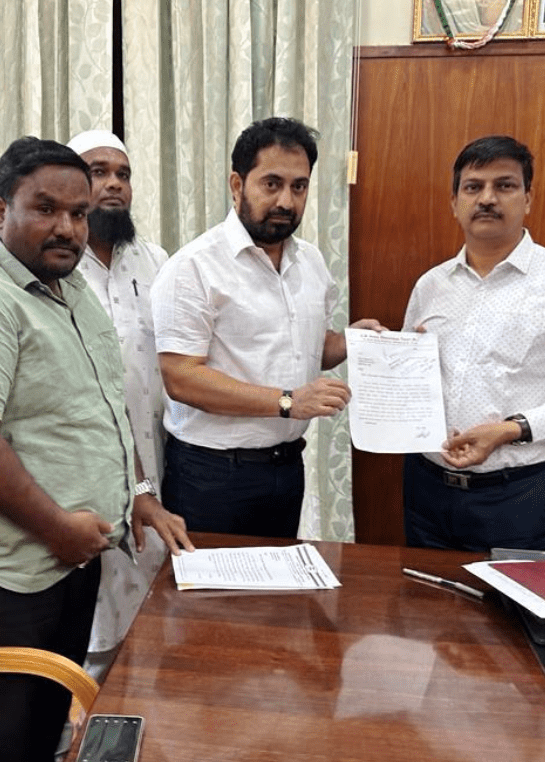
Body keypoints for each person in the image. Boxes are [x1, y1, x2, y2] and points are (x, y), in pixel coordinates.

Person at [0, 137, 191, 762]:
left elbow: (102, 411)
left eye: (78, 213)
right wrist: (56, 528)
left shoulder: (70, 291)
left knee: (42, 734)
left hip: (64, 561)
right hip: (2, 574)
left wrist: (137, 493)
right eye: (45, 209)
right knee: (2, 747)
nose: (66, 227)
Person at [151, 116, 379, 539]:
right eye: (271, 184)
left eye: (299, 186)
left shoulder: (310, 262)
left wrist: (351, 341)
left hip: (286, 469)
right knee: (210, 584)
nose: (286, 202)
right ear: (237, 185)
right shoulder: (193, 267)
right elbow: (181, 377)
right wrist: (289, 401)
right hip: (212, 476)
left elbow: (306, 349)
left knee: (280, 584)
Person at [401, 135, 545, 552]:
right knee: (421, 595)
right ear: (454, 202)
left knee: (508, 598)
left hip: (517, 496)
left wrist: (511, 430)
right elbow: (411, 384)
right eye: (473, 187)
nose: (487, 198)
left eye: (504, 185)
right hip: (425, 489)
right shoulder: (430, 286)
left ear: (528, 199)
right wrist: (382, 360)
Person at [68, 129, 183, 681]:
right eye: (98, 172)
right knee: (93, 614)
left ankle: (139, 710)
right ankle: (89, 714)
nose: (114, 184)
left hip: (156, 454)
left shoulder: (157, 261)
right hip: (86, 465)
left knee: (151, 605)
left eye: (123, 174)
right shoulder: (56, 265)